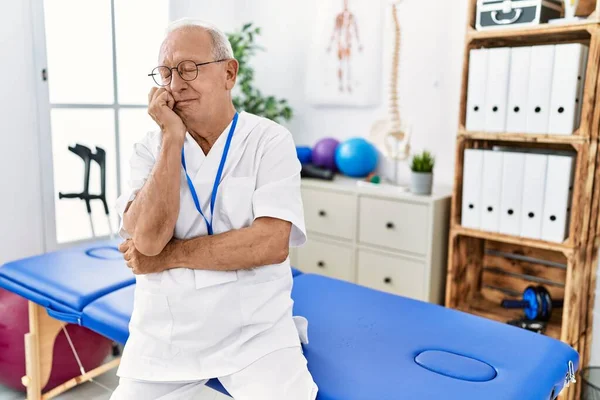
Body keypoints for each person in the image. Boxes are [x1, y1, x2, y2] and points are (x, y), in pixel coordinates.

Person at [110, 18, 318, 400]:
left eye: (189, 69)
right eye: (166, 72)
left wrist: (167, 258)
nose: (174, 84)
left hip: (256, 334)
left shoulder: (268, 141)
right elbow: (148, 241)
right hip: (165, 336)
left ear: (229, 73)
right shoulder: (148, 147)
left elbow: (269, 244)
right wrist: (171, 140)